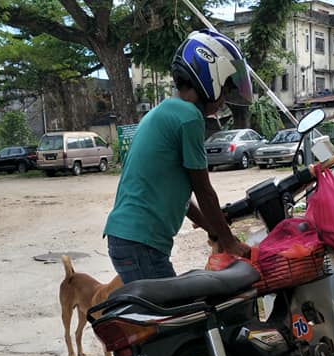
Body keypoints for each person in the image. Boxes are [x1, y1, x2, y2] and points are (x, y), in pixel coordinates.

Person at [104, 30, 253, 284]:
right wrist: (230, 242)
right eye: (226, 89)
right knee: (180, 320)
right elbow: (203, 190)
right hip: (141, 244)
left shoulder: (165, 111)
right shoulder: (189, 118)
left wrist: (212, 228)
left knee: (171, 317)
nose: (225, 100)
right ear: (210, 77)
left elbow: (181, 196)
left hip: (130, 240)